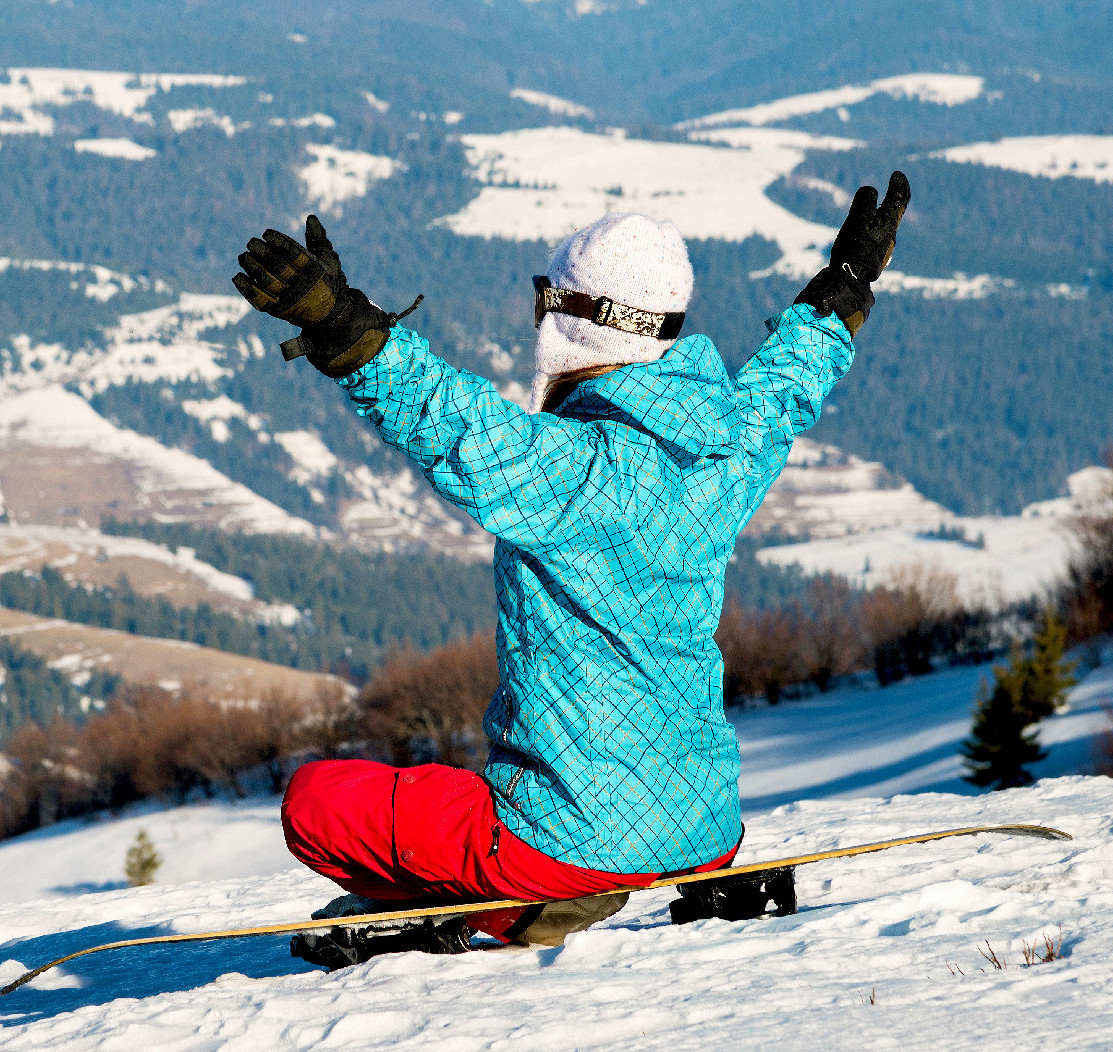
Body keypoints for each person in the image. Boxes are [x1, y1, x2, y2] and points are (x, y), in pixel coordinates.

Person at [232, 172, 910, 967]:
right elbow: (785, 385)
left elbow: (445, 419)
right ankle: (584, 875)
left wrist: (341, 326)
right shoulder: (724, 450)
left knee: (318, 803)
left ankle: (509, 904)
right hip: (706, 825)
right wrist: (847, 286)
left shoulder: (573, 469)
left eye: (544, 296)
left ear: (576, 318)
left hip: (565, 841)